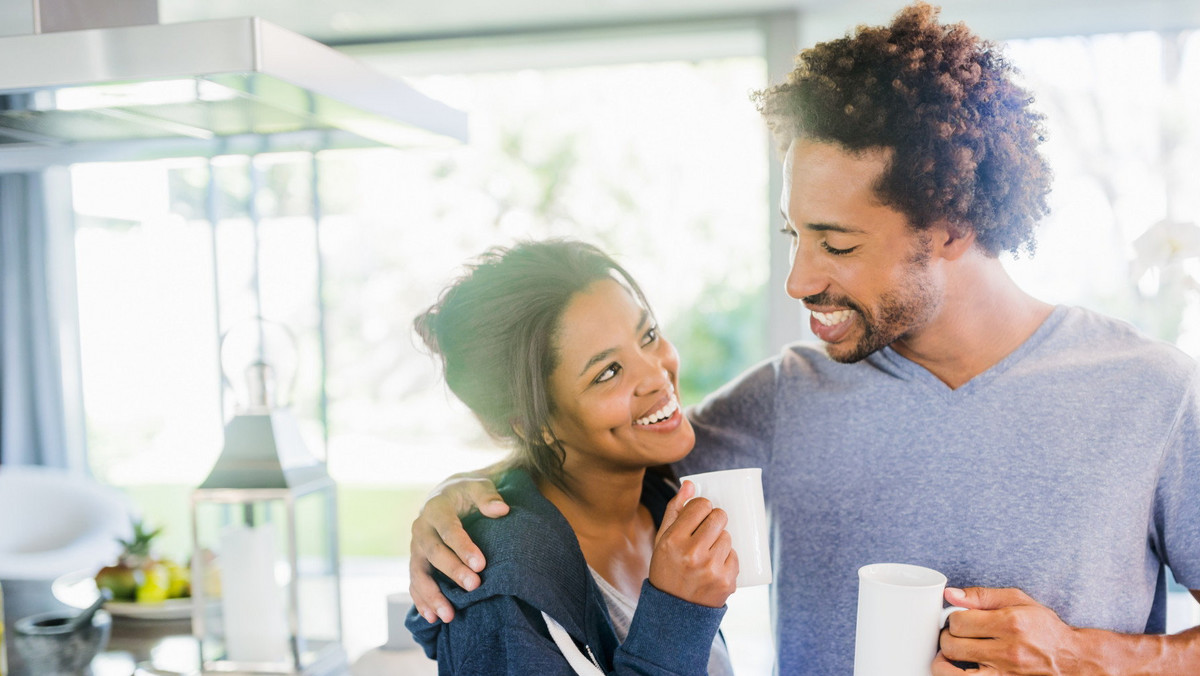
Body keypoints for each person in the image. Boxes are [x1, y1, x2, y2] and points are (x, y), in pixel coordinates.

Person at [408, 4, 1200, 675]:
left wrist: (1092, 654)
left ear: (951, 225)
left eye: (837, 243)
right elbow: (597, 454)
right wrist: (465, 502)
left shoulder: (1155, 392)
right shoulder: (788, 397)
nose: (799, 279)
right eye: (793, 233)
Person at [405, 239, 739, 675]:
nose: (657, 374)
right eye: (608, 372)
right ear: (532, 424)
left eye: (649, 336)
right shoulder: (502, 599)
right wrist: (677, 614)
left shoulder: (662, 498)